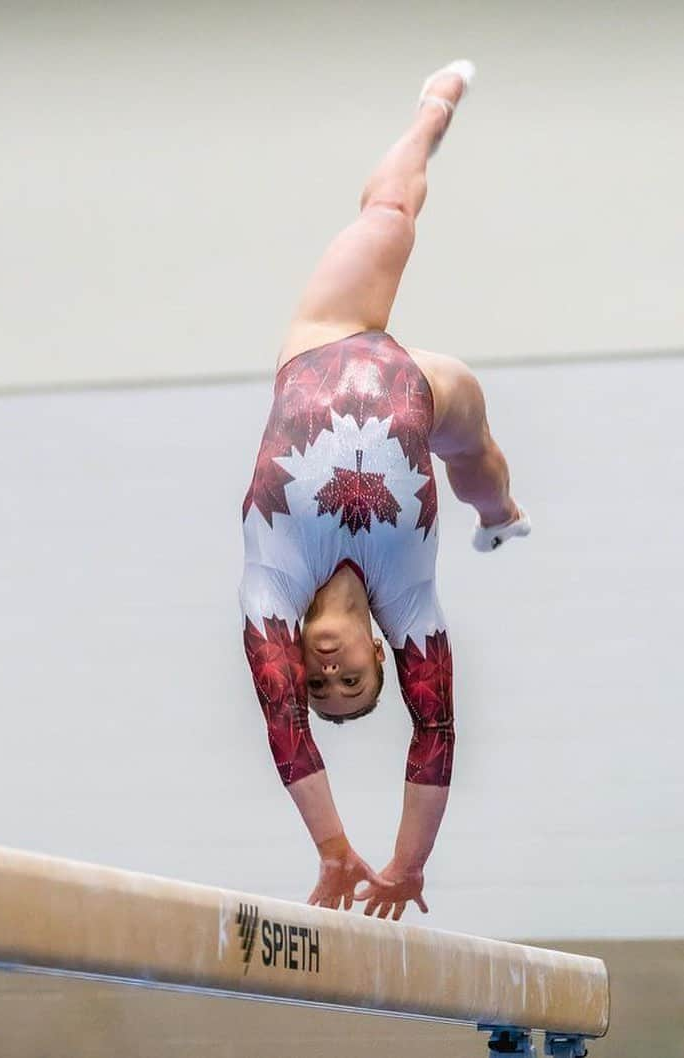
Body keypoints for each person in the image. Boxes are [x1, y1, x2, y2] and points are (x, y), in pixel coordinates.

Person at [239, 61, 531, 921]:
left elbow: (282, 729)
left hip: (325, 339)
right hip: (422, 386)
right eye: (355, 684)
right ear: (380, 656)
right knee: (474, 455)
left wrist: (333, 850)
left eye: (320, 687)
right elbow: (435, 732)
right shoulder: (409, 602)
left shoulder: (271, 589)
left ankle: (426, 112)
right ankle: (501, 516)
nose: (330, 678)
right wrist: (402, 867)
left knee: (384, 214)